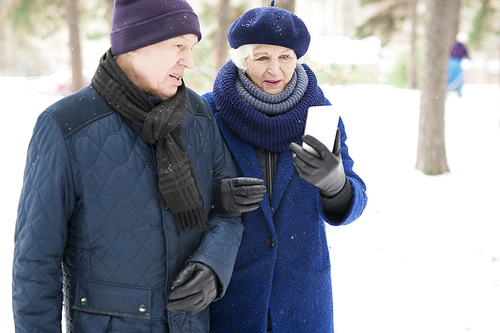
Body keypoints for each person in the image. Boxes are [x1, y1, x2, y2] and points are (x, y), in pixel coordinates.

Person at [12, 1, 264, 332]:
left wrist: (213, 266)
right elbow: (35, 264)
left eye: (191, 48)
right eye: (178, 46)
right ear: (136, 45)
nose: (189, 61)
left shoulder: (199, 118)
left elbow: (228, 213)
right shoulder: (66, 127)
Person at [202, 3, 368, 332]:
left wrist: (336, 187)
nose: (275, 70)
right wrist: (212, 198)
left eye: (286, 57)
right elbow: (177, 195)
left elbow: (356, 197)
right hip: (231, 300)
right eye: (262, 57)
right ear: (241, 59)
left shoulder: (321, 116)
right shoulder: (207, 114)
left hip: (303, 302)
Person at [447, 32, 471, 97]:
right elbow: (467, 55)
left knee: (450, 76)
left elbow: (449, 52)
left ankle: (448, 89)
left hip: (450, 61)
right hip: (457, 62)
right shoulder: (463, 47)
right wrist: (470, 60)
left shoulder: (453, 45)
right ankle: (458, 91)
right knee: (459, 77)